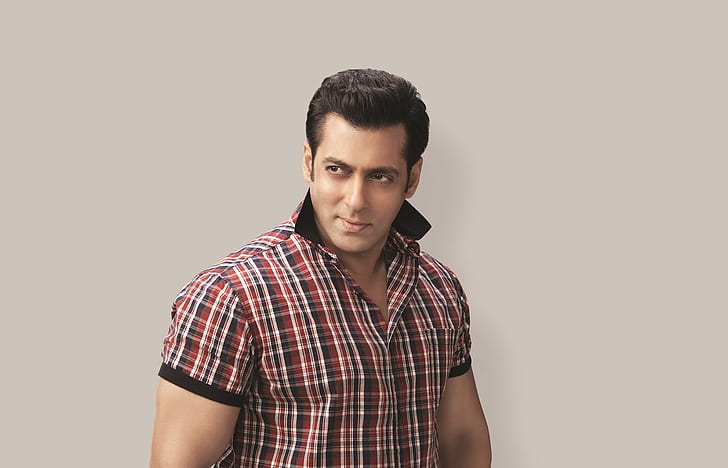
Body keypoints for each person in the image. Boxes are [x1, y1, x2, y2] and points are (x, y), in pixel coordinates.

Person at [150, 68, 492, 467]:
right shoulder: (230, 297)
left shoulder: (439, 288)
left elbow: (463, 438)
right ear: (308, 162)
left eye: (380, 176)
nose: (356, 200)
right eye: (338, 170)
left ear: (412, 178)